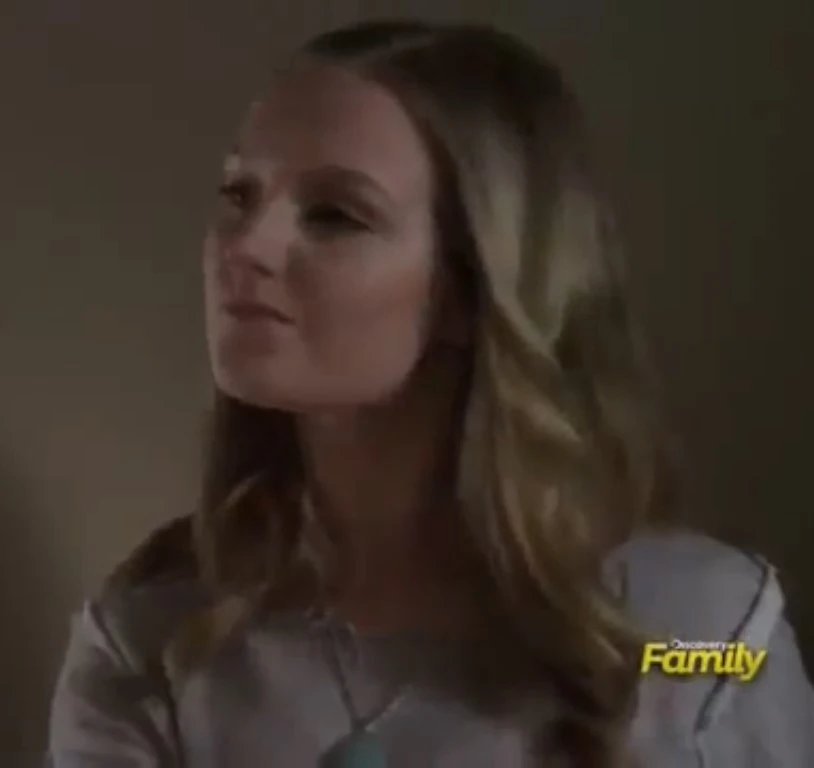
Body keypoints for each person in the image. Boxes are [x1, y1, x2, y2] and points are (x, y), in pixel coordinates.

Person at [47, 19, 814, 767]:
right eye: (239, 195)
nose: (245, 246)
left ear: (471, 288)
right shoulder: (152, 644)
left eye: (335, 215)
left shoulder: (703, 636)